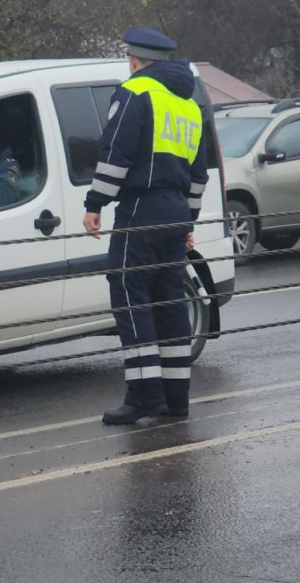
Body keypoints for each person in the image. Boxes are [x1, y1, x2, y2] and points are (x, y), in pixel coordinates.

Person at [82, 27, 208, 425]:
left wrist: (95, 203)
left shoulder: (135, 92)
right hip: (175, 213)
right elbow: (199, 174)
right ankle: (176, 398)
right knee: (170, 301)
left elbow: (116, 152)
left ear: (134, 60)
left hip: (141, 209)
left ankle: (142, 396)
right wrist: (189, 220)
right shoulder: (189, 105)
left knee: (129, 293)